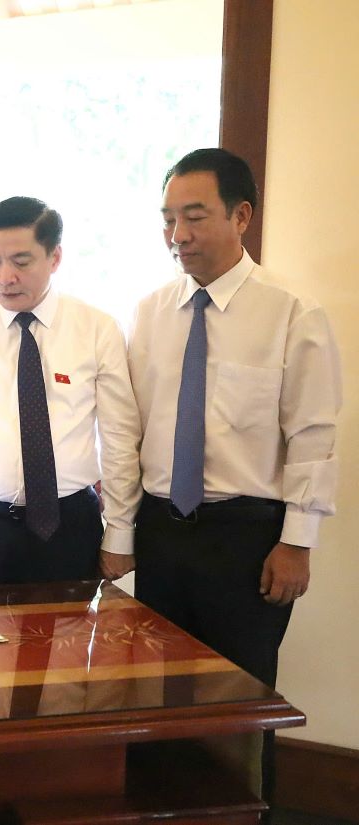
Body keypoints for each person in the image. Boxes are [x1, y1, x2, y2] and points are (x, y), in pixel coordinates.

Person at [128, 147, 341, 800]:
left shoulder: (290, 312)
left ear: (241, 215)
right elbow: (129, 427)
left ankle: (241, 812)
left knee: (241, 696)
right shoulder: (150, 311)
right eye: (168, 218)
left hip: (247, 536)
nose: (178, 235)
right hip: (162, 529)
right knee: (157, 690)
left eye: (195, 216)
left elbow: (314, 433)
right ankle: (162, 812)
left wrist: (297, 540)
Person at [0, 196, 142, 587]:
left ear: (54, 258)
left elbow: (119, 437)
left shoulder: (96, 329)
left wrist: (120, 531)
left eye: (21, 262)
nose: (5, 277)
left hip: (70, 524)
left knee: (66, 643)